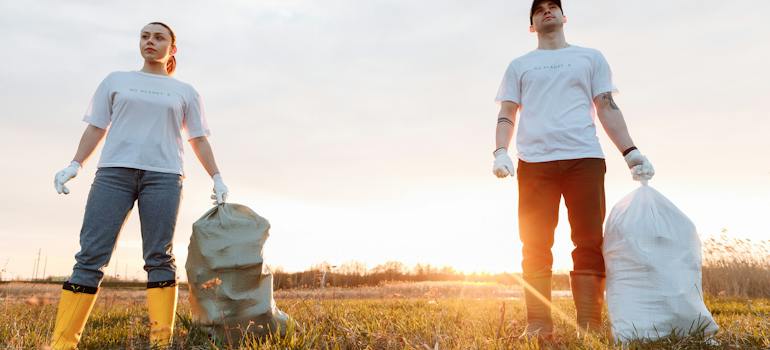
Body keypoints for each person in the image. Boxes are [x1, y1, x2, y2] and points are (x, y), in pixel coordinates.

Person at [50, 22, 229, 349]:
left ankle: (160, 343)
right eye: (145, 36)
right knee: (90, 256)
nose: (150, 41)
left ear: (172, 49)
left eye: (158, 37)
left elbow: (198, 139)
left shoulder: (185, 92)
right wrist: (74, 164)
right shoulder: (116, 80)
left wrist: (217, 176)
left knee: (159, 256)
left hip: (163, 176)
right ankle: (62, 344)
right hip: (113, 174)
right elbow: (95, 128)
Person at [492, 0, 655, 339]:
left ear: (565, 17)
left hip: (584, 159)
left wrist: (631, 151)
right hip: (535, 163)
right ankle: (538, 324)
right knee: (534, 244)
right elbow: (508, 112)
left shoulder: (590, 57)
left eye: (553, 6)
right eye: (539, 10)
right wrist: (500, 151)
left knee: (589, 241)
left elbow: (607, 107)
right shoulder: (520, 65)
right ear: (532, 25)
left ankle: (589, 324)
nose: (547, 11)